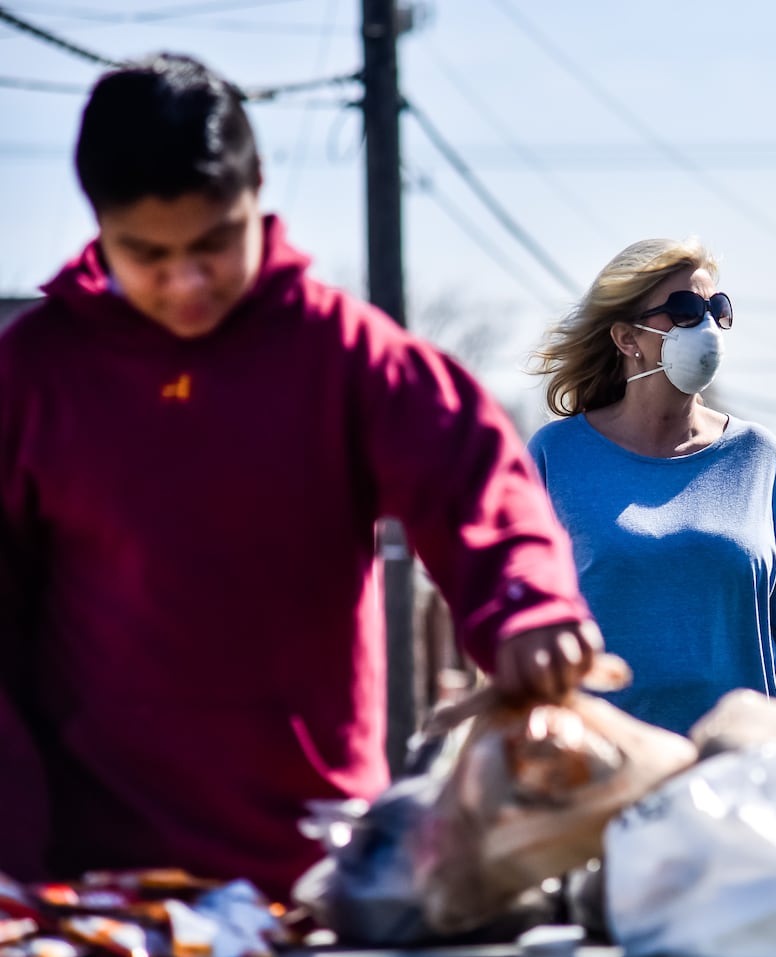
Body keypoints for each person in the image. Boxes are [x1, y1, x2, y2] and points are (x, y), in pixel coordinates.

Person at [0, 54, 604, 899]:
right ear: (97, 225)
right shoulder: (33, 373)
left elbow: (473, 476)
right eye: (146, 254)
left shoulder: (343, 355)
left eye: (215, 242)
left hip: (310, 877)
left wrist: (524, 604)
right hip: (89, 882)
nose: (187, 281)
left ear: (257, 189)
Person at [526, 238, 776, 736]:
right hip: (606, 773)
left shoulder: (759, 457)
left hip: (744, 771)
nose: (707, 326)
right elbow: (522, 625)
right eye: (686, 310)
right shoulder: (554, 457)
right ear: (627, 338)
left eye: (717, 309)